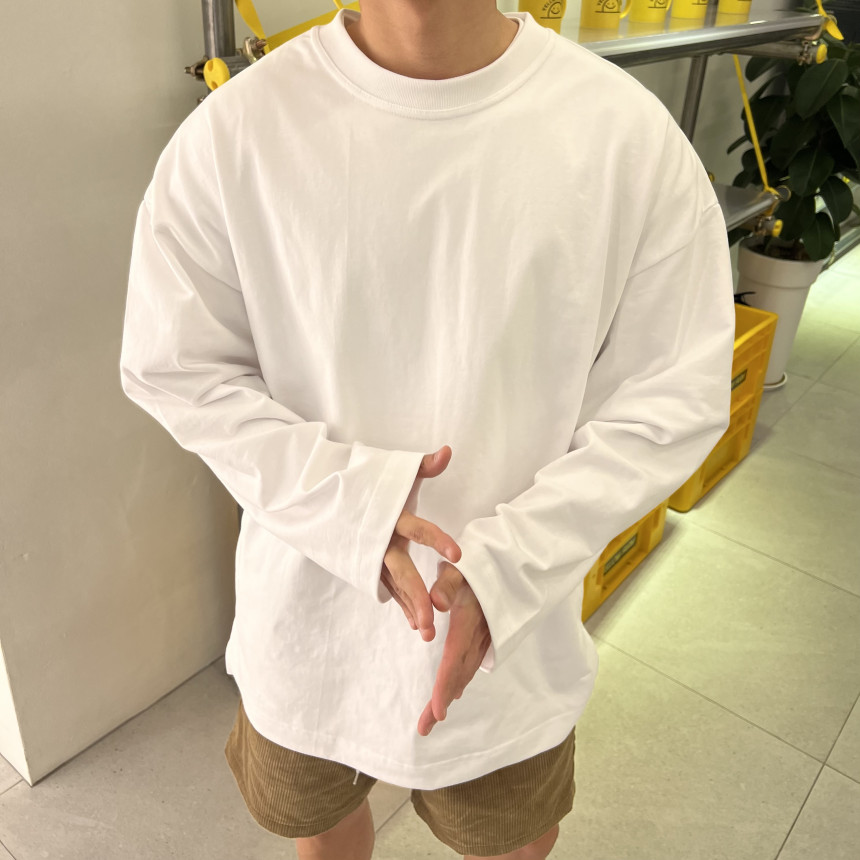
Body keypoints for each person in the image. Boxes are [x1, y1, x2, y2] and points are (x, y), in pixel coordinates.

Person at [119, 0, 737, 857]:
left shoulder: (624, 139)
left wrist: (512, 562)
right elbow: (177, 363)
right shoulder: (236, 134)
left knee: (509, 839)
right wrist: (351, 509)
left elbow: (672, 393)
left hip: (513, 636)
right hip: (307, 624)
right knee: (318, 825)